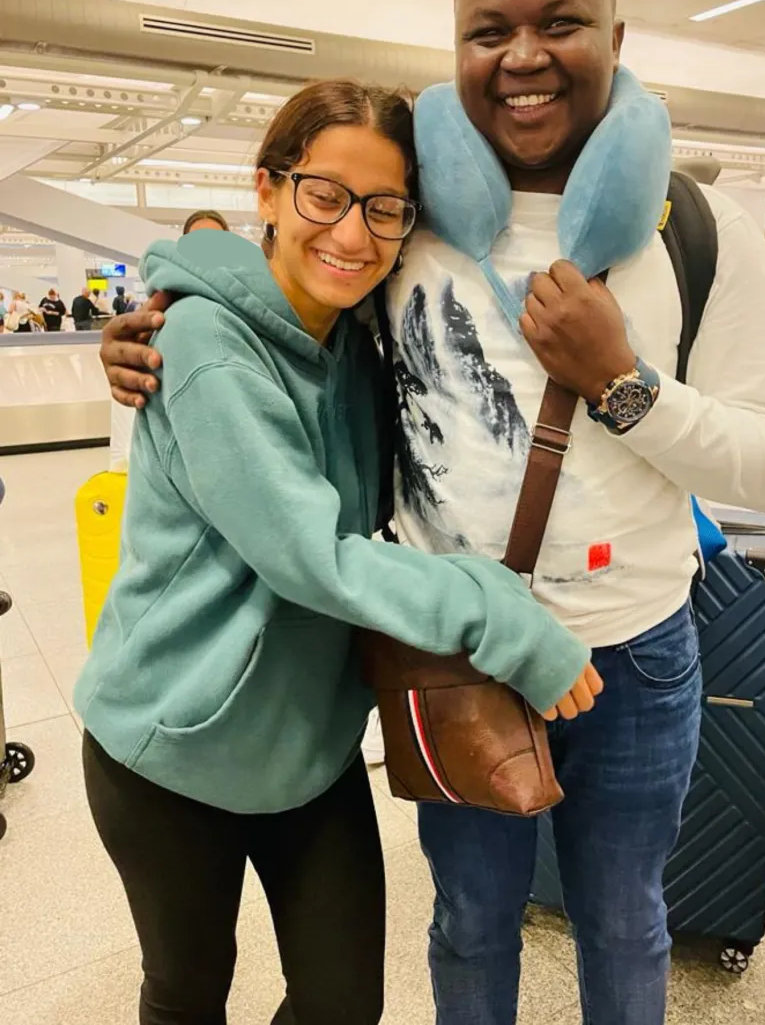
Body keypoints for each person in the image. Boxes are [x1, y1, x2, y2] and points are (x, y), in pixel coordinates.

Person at [98, 0, 765, 1025]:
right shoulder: (412, 221)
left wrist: (625, 381)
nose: (522, 55)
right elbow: (294, 283)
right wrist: (166, 317)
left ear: (615, 40)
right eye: (489, 31)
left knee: (626, 920)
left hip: (637, 655)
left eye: (559, 22)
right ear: (456, 49)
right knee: (467, 922)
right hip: (451, 656)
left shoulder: (704, 231)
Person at [76, 77, 600, 1025]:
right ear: (268, 191)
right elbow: (312, 555)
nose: (352, 235)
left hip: (307, 753)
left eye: (384, 209)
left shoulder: (356, 343)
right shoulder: (204, 343)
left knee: (340, 1000)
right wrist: (501, 615)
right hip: (170, 751)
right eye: (325, 195)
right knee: (187, 993)